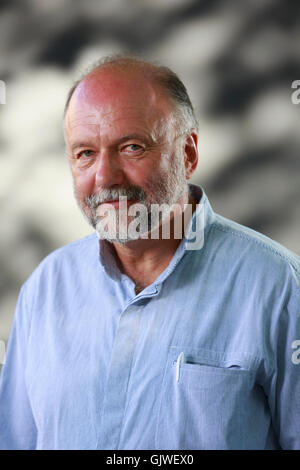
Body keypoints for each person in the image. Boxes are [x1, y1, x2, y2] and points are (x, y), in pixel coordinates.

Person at [0, 55, 299, 450]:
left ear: (188, 153)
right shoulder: (45, 289)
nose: (105, 177)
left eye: (132, 147)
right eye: (85, 153)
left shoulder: (278, 288)